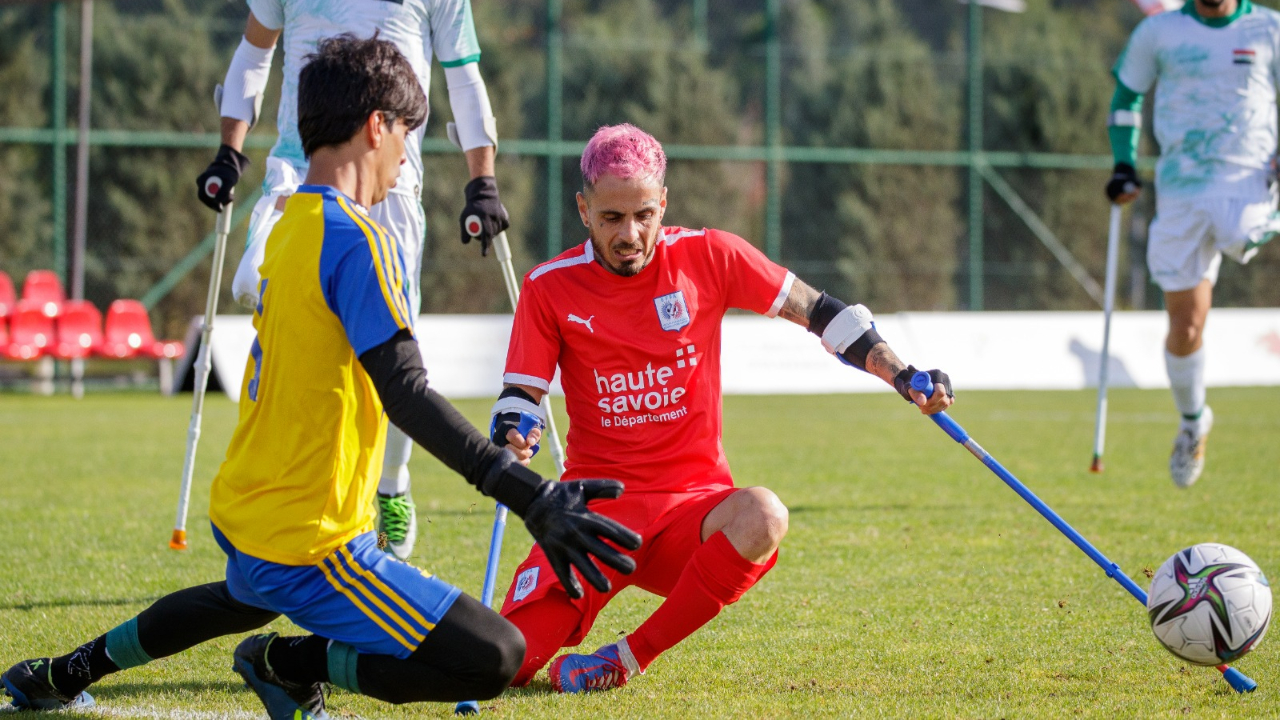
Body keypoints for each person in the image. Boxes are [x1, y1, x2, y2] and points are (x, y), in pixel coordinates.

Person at [3, 36, 639, 719]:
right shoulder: (361, 239)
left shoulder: (289, 223)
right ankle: (288, 662)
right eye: (406, 134)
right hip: (315, 541)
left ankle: (63, 672)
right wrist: (527, 494)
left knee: (238, 597)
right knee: (493, 656)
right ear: (377, 126)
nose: (405, 155)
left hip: (255, 505)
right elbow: (406, 391)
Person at [485, 124, 954, 693]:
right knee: (500, 663)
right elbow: (521, 395)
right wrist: (515, 426)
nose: (629, 234)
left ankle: (625, 659)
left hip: (694, 511)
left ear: (664, 204)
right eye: (611, 218)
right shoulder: (548, 286)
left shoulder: (710, 255)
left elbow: (823, 312)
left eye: (643, 215)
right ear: (583, 210)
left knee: (765, 515)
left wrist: (901, 373)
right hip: (595, 515)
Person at [195, 0, 510, 560]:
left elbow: (463, 76)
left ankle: (390, 485)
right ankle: (275, 480)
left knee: (388, 348)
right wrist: (229, 150)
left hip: (393, 186)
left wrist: (482, 181)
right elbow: (253, 50)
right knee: (256, 291)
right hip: (298, 171)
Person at [1106, 0, 1280, 486]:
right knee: (1184, 328)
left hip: (1250, 182)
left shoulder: (1269, 28)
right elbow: (1125, 99)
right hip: (1181, 191)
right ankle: (1192, 421)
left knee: (1246, 229)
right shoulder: (1159, 33)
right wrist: (1124, 164)